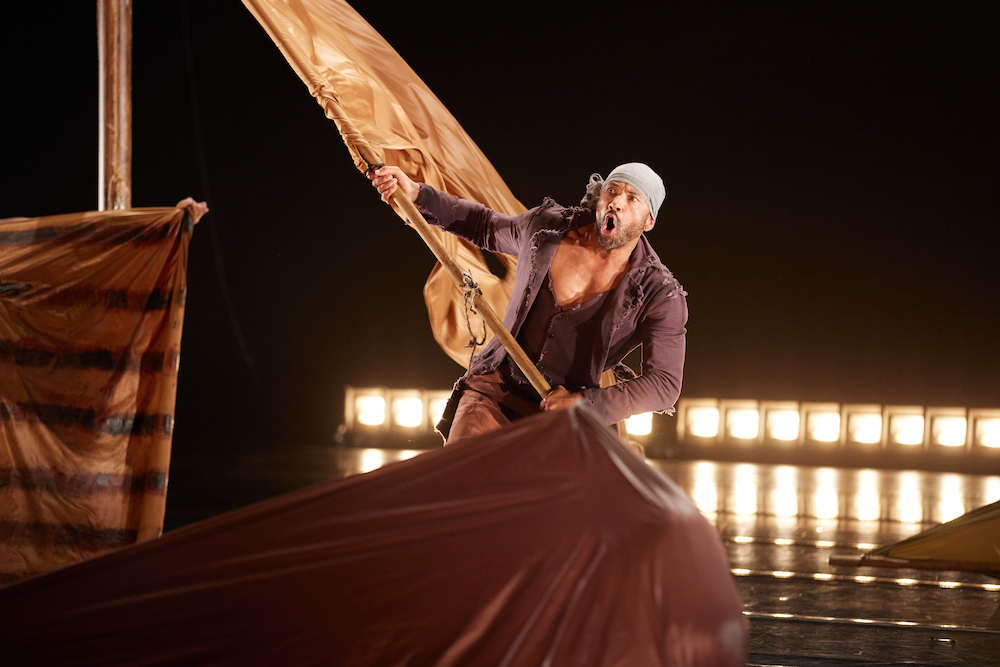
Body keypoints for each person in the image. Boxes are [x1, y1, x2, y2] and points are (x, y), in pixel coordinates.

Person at [369, 163, 687, 443]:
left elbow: (664, 384)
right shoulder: (548, 229)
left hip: (567, 416)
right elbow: (485, 226)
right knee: (460, 478)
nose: (616, 202)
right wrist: (418, 196)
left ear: (649, 222)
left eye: (632, 198)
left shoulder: (659, 293)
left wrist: (585, 404)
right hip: (495, 390)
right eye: (612, 190)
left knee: (556, 510)